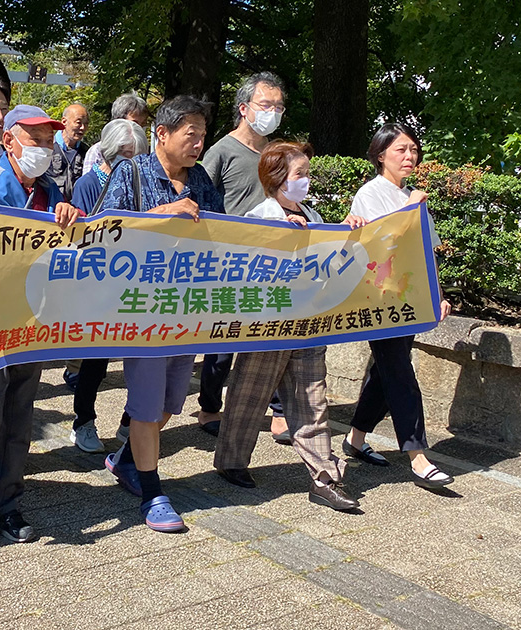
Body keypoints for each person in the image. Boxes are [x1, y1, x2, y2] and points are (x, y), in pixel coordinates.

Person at [0, 104, 79, 545]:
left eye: (48, 142)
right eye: (35, 140)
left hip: (30, 323)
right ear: (9, 141)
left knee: (18, 416)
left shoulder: (50, 194)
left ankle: (6, 500)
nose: (44, 149)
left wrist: (70, 219)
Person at [97, 95, 223, 533]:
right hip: (141, 310)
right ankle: (154, 495)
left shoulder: (202, 179)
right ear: (163, 134)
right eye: (192, 134)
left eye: (203, 136)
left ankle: (126, 458)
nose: (199, 144)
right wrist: (160, 216)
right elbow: (101, 235)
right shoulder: (131, 174)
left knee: (171, 401)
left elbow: (226, 232)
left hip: (186, 309)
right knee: (148, 405)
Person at [213, 141, 361, 511]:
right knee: (249, 395)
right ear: (277, 177)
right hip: (269, 323)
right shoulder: (261, 216)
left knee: (313, 398)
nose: (306, 180)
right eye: (300, 174)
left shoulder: (310, 212)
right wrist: (281, 235)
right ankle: (231, 461)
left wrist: (347, 231)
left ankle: (324, 477)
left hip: (308, 322)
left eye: (307, 173)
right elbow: (247, 269)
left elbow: (329, 258)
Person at [342, 122, 454, 490]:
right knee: (401, 374)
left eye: (413, 150)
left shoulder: (413, 196)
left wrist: (437, 294)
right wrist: (409, 207)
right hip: (380, 301)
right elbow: (380, 244)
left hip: (410, 298)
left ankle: (355, 439)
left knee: (386, 371)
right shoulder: (371, 195)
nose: (409, 157)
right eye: (400, 150)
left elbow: (425, 253)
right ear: (380, 156)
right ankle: (418, 456)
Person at [197, 72, 289, 440]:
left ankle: (279, 411)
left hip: (273, 261)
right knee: (223, 342)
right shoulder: (221, 151)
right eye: (266, 105)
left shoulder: (277, 154)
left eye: (279, 107)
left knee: (274, 335)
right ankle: (208, 408)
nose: (273, 112)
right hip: (230, 261)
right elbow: (203, 198)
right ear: (244, 108)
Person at [65, 118, 148, 453]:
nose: (130, 162)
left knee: (140, 361)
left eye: (137, 155)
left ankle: (130, 422)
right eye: (124, 154)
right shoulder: (88, 183)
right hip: (98, 283)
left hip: (136, 280)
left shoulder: (145, 182)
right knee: (95, 362)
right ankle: (83, 422)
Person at [84, 91, 150, 171]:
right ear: (119, 121)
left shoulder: (144, 151)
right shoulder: (97, 151)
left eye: (143, 124)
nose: (139, 128)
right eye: (134, 123)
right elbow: (89, 181)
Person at [47, 103, 89, 201]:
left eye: (86, 124)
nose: (83, 127)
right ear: (64, 121)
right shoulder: (49, 147)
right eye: (78, 122)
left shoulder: (86, 152)